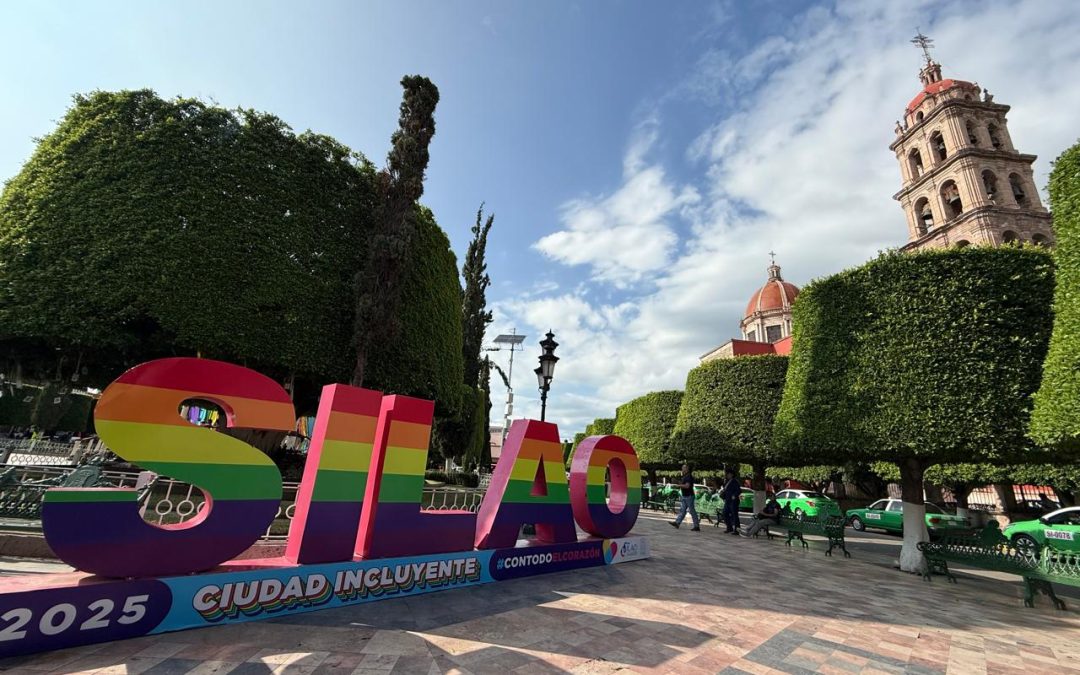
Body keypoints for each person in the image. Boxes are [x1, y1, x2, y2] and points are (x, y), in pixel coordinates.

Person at [669, 463, 700, 531]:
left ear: (687, 469)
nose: (682, 469)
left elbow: (687, 486)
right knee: (682, 510)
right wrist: (679, 483)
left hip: (689, 496)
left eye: (683, 468)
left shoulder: (688, 476)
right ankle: (677, 523)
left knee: (692, 511)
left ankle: (696, 526)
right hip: (685, 495)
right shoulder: (685, 476)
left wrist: (678, 486)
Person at [720, 468, 741, 534]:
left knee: (734, 515)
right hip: (727, 500)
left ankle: (737, 530)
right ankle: (729, 527)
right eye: (727, 474)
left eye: (728, 474)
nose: (727, 475)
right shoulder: (727, 481)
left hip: (733, 501)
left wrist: (734, 495)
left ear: (732, 474)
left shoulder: (735, 481)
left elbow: (739, 490)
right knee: (725, 513)